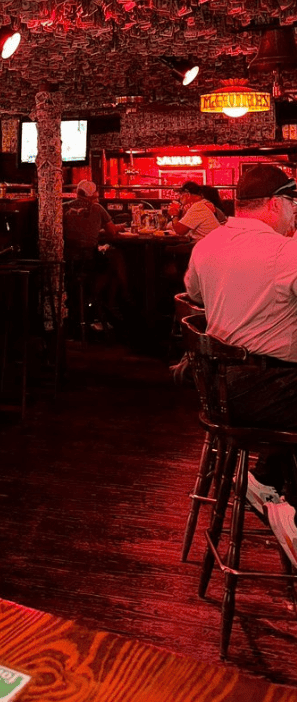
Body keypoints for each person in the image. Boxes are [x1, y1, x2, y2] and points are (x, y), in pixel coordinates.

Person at [184, 164, 297, 560]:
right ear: (272, 206)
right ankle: (294, 518)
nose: (294, 213)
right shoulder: (285, 252)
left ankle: (266, 479)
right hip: (265, 392)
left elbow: (193, 295)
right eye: (291, 205)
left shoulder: (207, 245)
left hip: (220, 391)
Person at [63, 179, 129, 329]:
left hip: (67, 264)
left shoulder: (63, 208)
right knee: (115, 262)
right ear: (93, 195)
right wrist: (123, 226)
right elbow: (111, 231)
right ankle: (103, 301)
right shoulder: (97, 208)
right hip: (88, 262)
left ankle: (92, 300)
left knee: (109, 261)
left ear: (77, 192)